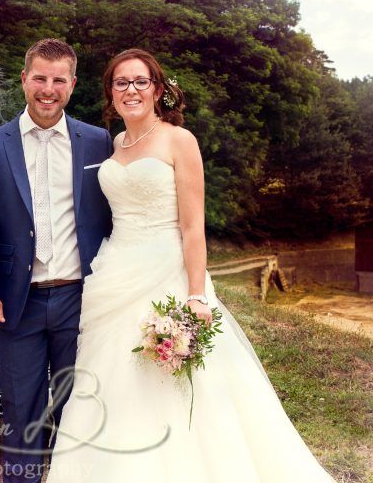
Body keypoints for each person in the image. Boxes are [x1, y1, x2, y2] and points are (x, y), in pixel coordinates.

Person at [46, 48, 335, 482]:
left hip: (167, 273)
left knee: (170, 385)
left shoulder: (180, 140)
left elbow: (193, 227)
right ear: (110, 92)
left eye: (141, 81)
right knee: (110, 382)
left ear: (158, 90)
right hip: (114, 272)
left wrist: (197, 294)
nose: (131, 90)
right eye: (121, 82)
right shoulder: (115, 143)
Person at [0, 39, 114, 482]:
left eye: (59, 80)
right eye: (40, 78)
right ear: (25, 79)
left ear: (72, 84)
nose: (49, 89)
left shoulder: (98, 142)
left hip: (82, 299)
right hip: (16, 301)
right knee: (22, 411)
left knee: (80, 407)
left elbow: (113, 216)